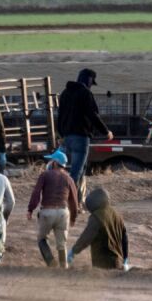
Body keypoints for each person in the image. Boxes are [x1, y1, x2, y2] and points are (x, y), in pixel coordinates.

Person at [57, 68, 114, 205]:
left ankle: (78, 201)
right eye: (91, 82)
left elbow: (59, 116)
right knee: (76, 172)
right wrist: (106, 131)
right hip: (81, 137)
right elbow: (93, 115)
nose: (91, 85)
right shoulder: (85, 93)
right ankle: (65, 202)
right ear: (89, 80)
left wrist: (60, 134)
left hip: (66, 137)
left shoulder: (65, 93)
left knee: (78, 170)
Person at [27, 149, 79, 268]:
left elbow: (36, 193)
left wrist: (30, 209)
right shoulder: (69, 178)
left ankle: (51, 262)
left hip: (47, 212)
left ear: (55, 163)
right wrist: (74, 217)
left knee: (41, 238)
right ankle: (63, 266)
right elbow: (74, 200)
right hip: (63, 213)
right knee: (62, 244)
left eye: (51, 160)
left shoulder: (45, 175)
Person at [69, 187, 129, 270]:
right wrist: (125, 257)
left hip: (103, 263)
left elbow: (86, 237)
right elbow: (124, 238)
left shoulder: (97, 217)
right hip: (118, 261)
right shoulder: (117, 215)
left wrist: (73, 251)